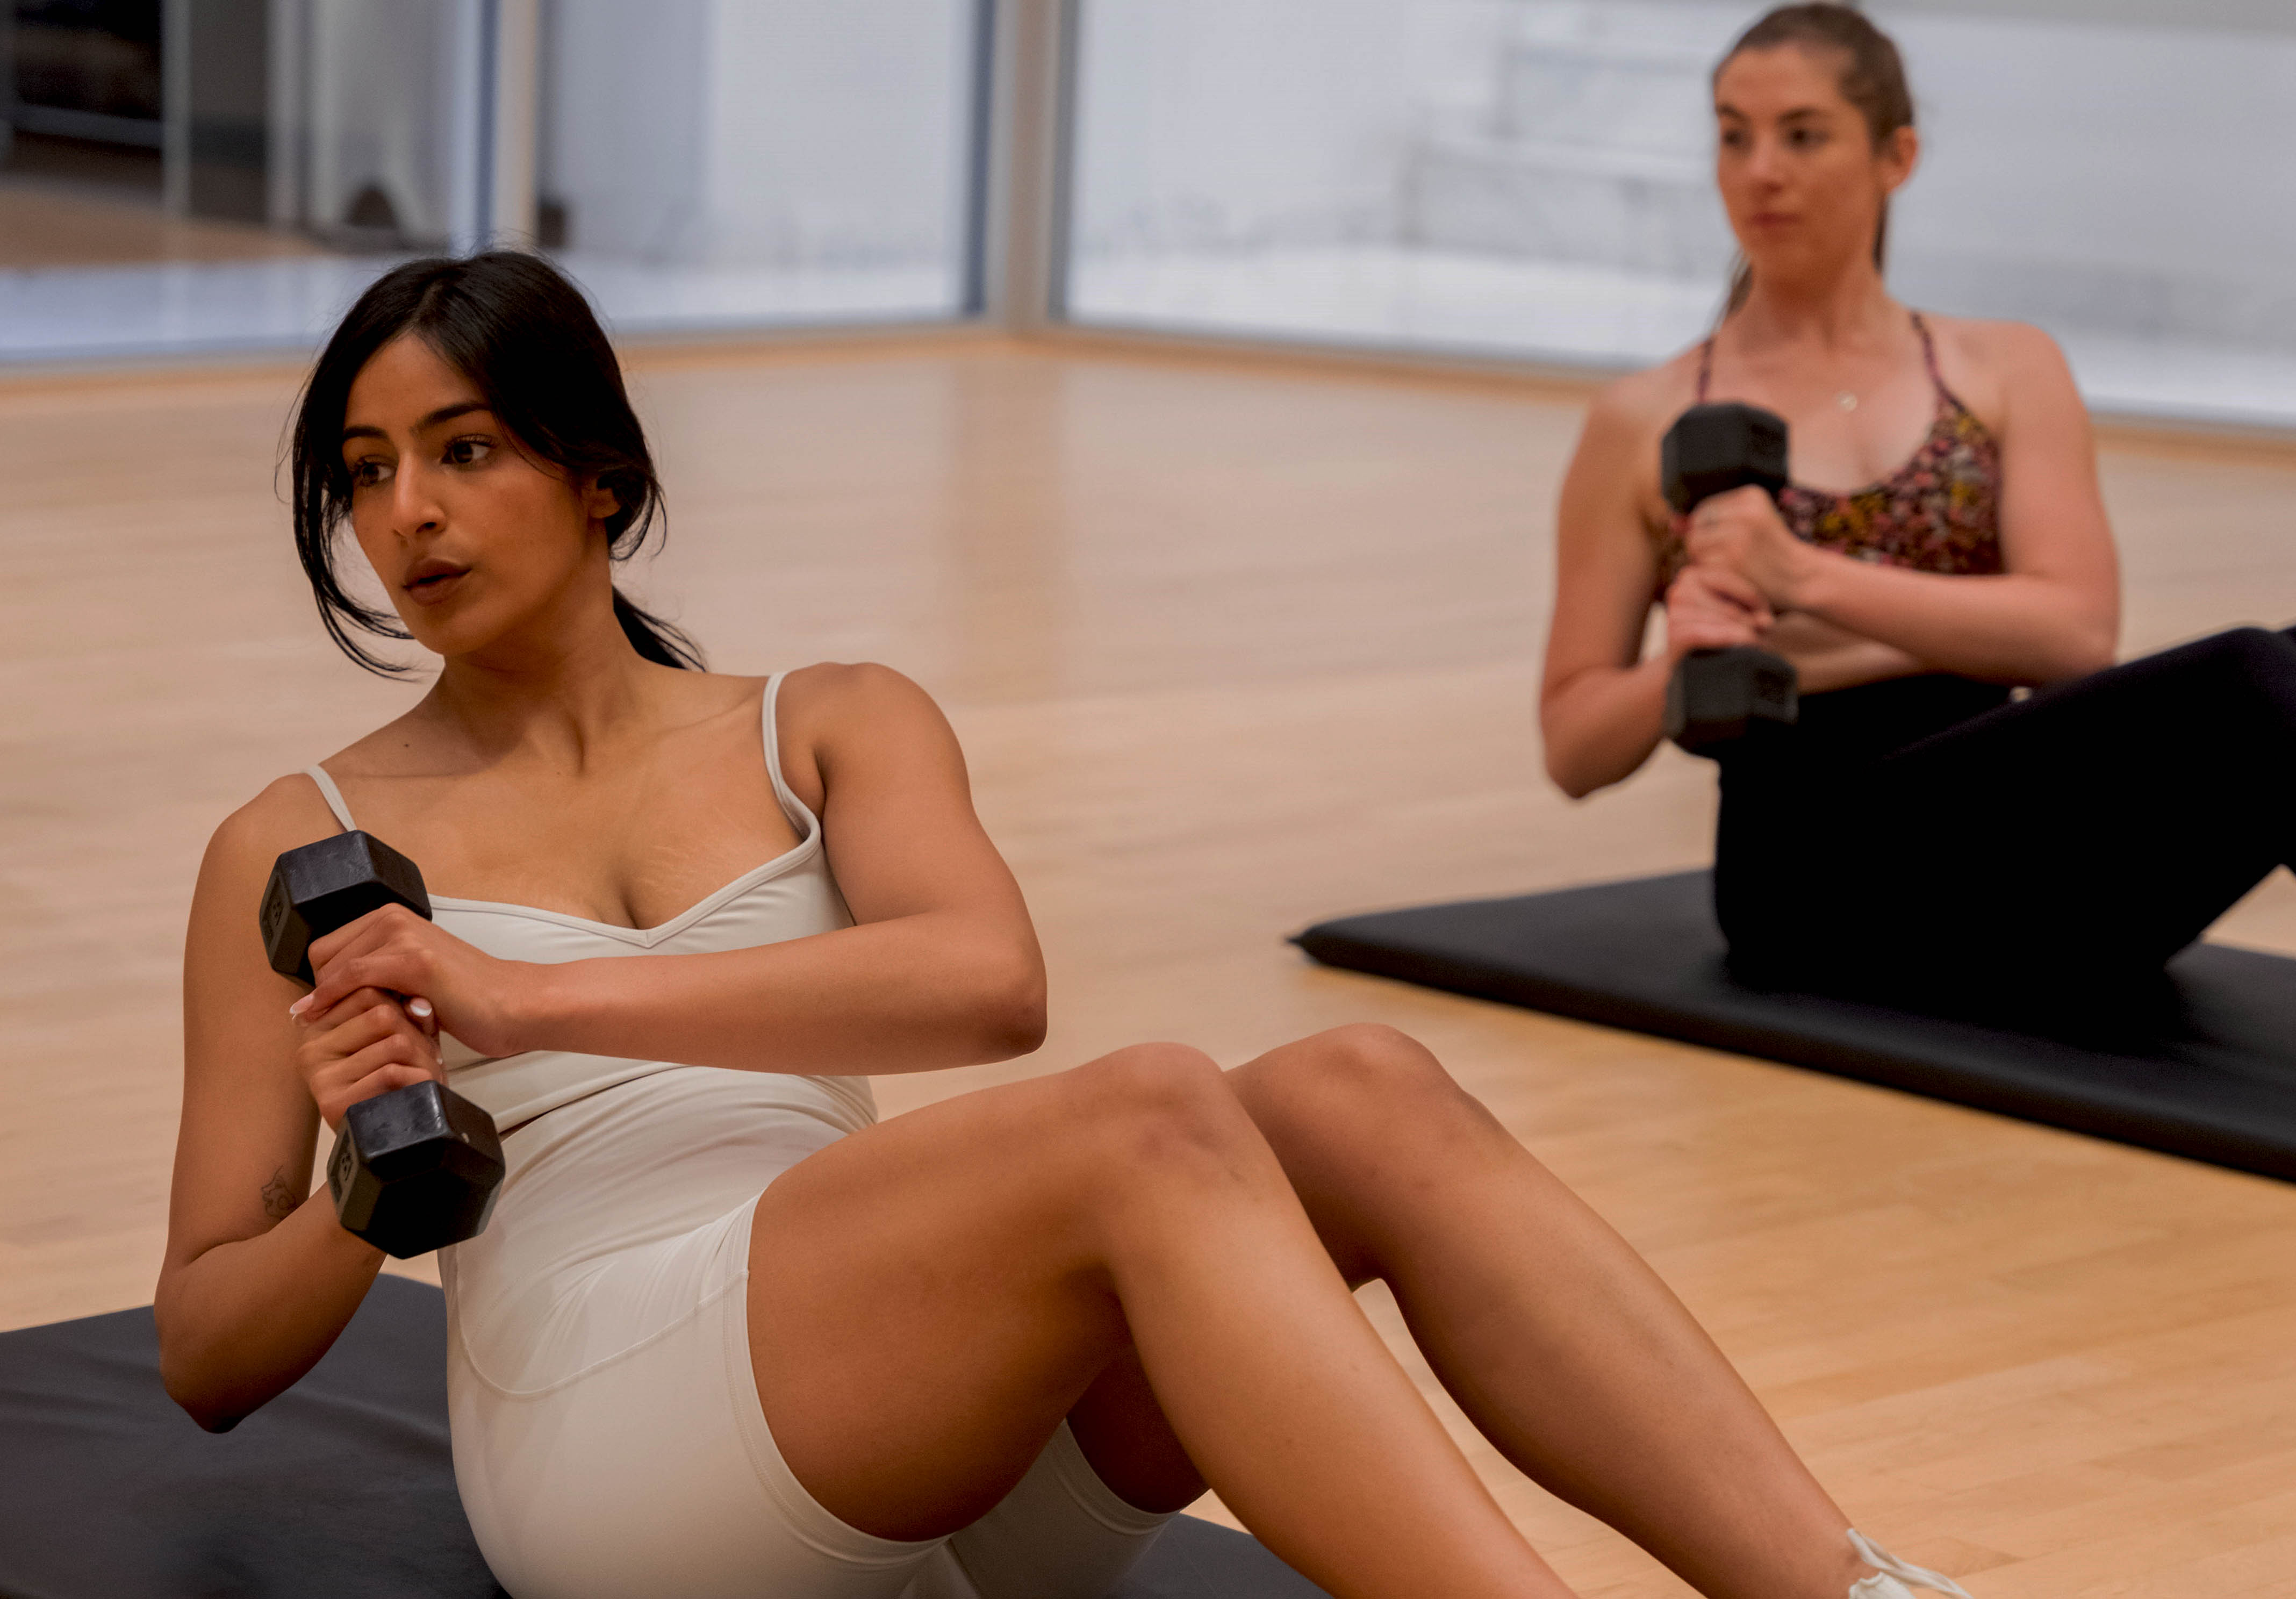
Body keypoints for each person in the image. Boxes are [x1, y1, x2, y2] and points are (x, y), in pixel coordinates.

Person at [157, 250, 1970, 1599]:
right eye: (367, 469)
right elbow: (205, 1351)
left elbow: (984, 986)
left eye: (461, 450)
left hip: (930, 1449)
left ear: (598, 474)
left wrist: (525, 999)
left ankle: (1851, 1587)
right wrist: (357, 1201)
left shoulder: (831, 716)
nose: (408, 514)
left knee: (1360, 1082)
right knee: (1153, 1114)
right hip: (623, 1461)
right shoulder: (297, 835)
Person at [1541, 3, 2295, 1019]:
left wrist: (1805, 584)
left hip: (2026, 851)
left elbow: (2074, 635)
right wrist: (1678, 667)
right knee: (2251, 678)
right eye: (1734, 134)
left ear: (1896, 154)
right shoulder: (1647, 415)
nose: (1762, 169)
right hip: (1818, 885)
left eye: (1802, 134)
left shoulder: (2004, 367)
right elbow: (1574, 747)